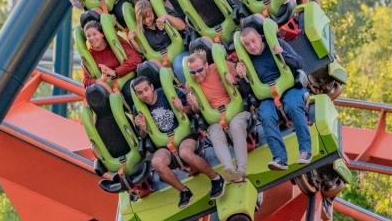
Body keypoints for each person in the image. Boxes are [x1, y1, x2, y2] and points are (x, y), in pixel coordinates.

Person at [130, 75, 224, 207]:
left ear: (152, 87)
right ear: (136, 95)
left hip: (184, 135)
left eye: (146, 90)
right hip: (164, 144)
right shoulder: (137, 108)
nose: (145, 95)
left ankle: (216, 179)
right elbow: (143, 136)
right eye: (140, 93)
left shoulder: (169, 92)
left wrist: (182, 107)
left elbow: (193, 111)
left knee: (185, 153)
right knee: (156, 162)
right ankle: (184, 191)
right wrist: (143, 127)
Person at [235, 27, 312, 171]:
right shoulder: (246, 60)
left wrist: (283, 55)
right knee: (265, 115)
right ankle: (280, 159)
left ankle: (305, 151)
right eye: (247, 44)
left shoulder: (278, 44)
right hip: (267, 96)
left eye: (253, 41)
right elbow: (246, 91)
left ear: (259, 37)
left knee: (293, 105)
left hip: (290, 88)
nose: (252, 46)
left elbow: (300, 63)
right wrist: (243, 77)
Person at [185, 52, 250, 182]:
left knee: (236, 126)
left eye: (199, 70)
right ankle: (229, 170)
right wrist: (194, 105)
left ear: (206, 65)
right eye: (193, 72)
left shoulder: (222, 67)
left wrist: (236, 81)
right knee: (214, 133)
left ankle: (241, 170)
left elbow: (246, 87)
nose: (197, 75)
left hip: (236, 110)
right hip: (215, 118)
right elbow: (197, 111)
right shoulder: (190, 85)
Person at [128, 0, 188, 72]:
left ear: (152, 11)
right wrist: (132, 40)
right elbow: (142, 52)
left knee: (178, 66)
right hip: (161, 63)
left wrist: (166, 17)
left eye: (149, 16)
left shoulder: (162, 12)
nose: (147, 20)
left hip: (179, 52)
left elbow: (182, 26)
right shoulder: (141, 29)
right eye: (143, 19)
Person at [81, 20, 141, 89]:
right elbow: (85, 81)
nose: (91, 38)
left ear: (102, 34)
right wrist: (98, 80)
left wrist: (115, 72)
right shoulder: (88, 55)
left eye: (94, 34)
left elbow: (136, 59)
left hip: (126, 81)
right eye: (88, 36)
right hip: (107, 89)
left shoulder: (115, 42)